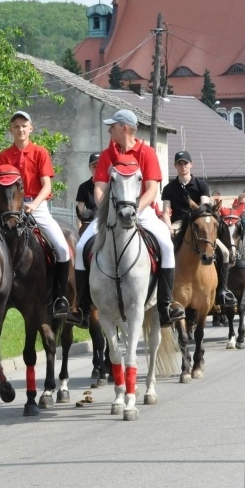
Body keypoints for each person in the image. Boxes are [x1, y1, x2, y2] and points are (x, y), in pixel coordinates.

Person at [65, 109, 184, 328]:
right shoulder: (106, 154)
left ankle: (166, 305)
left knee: (166, 244)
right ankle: (81, 307)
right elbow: (99, 189)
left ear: (125, 128)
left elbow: (151, 190)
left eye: (113, 126)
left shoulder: (147, 153)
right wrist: (108, 210)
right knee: (82, 247)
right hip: (111, 212)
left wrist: (135, 209)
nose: (109, 129)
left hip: (141, 209)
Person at [0, 111, 70, 317]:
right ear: (11, 130)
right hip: (10, 209)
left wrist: (34, 205)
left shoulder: (40, 152)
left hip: (36, 205)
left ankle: (61, 297)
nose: (20, 129)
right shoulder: (4, 156)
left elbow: (47, 186)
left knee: (62, 248)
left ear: (31, 128)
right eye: (16, 126)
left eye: (24, 126)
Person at [161, 150, 235, 308]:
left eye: (185, 163)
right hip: (178, 224)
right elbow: (166, 212)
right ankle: (164, 293)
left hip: (199, 223)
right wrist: (168, 227)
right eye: (179, 163)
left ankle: (223, 291)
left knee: (225, 252)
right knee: (163, 251)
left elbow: (205, 208)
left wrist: (200, 222)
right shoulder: (168, 188)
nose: (183, 166)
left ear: (191, 165)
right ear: (175, 166)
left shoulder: (201, 185)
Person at [76, 152, 99, 233]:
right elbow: (80, 213)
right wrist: (80, 230)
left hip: (109, 225)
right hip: (90, 225)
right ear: (89, 168)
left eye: (100, 166)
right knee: (79, 246)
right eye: (94, 166)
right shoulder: (83, 187)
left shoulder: (111, 185)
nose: (97, 169)